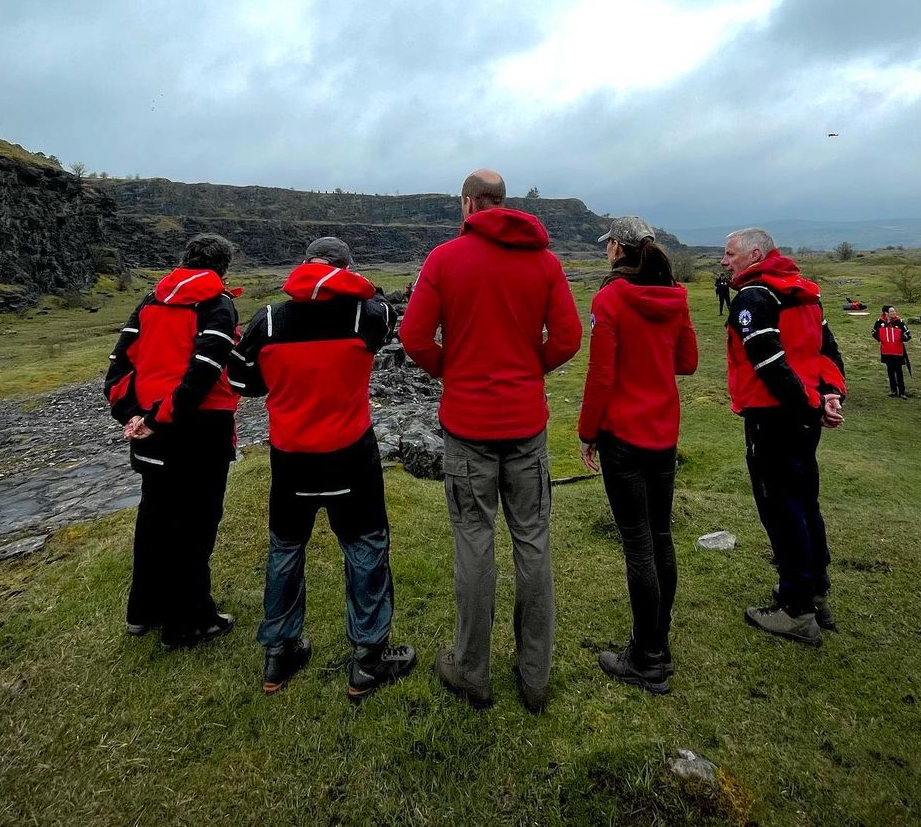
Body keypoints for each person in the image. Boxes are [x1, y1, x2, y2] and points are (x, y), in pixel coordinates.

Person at [400, 169, 582, 712]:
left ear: (467, 203)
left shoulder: (445, 259)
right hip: (526, 426)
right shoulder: (544, 261)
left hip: (468, 427)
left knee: (474, 543)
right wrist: (530, 371)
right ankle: (535, 676)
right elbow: (569, 338)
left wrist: (450, 372)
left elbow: (413, 337)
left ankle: (471, 671)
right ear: (502, 202)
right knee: (534, 542)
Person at [229, 237, 416, 699]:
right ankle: (368, 660)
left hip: (291, 459)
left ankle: (280, 653)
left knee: (286, 549)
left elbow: (240, 380)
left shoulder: (268, 319)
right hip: (350, 454)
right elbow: (386, 316)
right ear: (346, 270)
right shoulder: (364, 315)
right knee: (365, 547)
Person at [578, 217, 698, 693]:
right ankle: (657, 643)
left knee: (638, 544)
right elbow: (686, 362)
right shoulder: (676, 297)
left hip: (623, 436)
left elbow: (601, 375)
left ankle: (648, 657)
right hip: (662, 433)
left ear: (616, 250)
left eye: (607, 244)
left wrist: (588, 431)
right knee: (660, 536)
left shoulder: (609, 299)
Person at [104, 233, 240, 650]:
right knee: (195, 525)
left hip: (149, 431)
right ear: (222, 268)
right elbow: (203, 370)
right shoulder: (217, 304)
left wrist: (132, 414)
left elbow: (119, 364)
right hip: (198, 433)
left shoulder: (150, 301)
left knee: (155, 518)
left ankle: (142, 612)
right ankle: (188, 622)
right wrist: (162, 416)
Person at [720, 228, 846, 648]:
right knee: (805, 500)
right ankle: (816, 591)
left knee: (781, 507)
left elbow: (769, 363)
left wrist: (809, 403)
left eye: (729, 253)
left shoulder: (755, 297)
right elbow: (826, 351)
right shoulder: (805, 292)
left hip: (774, 416)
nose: (724, 261)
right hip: (804, 414)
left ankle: (795, 609)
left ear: (755, 254)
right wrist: (829, 394)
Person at [872, 305, 912, 399]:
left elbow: (908, 334)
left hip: (898, 351)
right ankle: (893, 390)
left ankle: (902, 392)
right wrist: (881, 339)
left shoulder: (899, 322)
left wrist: (903, 337)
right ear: (886, 313)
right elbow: (874, 332)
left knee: (899, 371)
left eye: (894, 311)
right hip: (886, 351)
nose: (894, 313)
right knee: (890, 370)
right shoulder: (879, 322)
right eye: (892, 312)